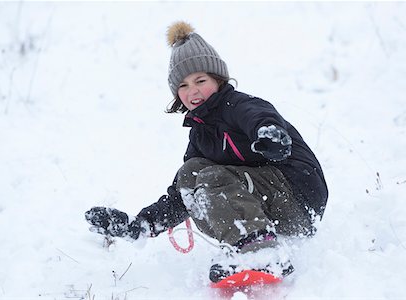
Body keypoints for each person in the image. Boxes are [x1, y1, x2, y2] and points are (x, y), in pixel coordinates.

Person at [85, 21, 328, 283]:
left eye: (200, 80)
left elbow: (260, 117)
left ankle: (260, 252)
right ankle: (248, 242)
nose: (193, 91)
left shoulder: (239, 105)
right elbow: (180, 196)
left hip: (297, 199)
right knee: (190, 174)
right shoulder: (200, 135)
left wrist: (270, 135)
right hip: (269, 206)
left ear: (218, 79)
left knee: (212, 177)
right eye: (184, 85)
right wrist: (140, 225)